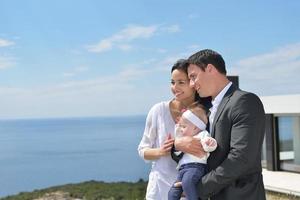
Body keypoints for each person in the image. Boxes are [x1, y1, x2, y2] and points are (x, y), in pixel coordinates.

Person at [175, 49, 266, 200]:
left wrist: (197, 189)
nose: (191, 84)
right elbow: (190, 142)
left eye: (193, 77)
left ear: (210, 69)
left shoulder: (245, 101)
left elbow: (241, 158)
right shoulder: (205, 109)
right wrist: (178, 144)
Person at [138, 59, 202, 200]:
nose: (175, 87)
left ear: (193, 83)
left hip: (188, 190)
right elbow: (143, 150)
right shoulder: (158, 110)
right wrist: (161, 151)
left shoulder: (203, 114)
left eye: (181, 82)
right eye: (172, 82)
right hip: (158, 190)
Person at [168, 105, 217, 200]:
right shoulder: (183, 139)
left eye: (184, 126)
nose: (181, 129)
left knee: (187, 183)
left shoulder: (203, 134)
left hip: (196, 167)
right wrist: (178, 146)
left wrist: (210, 144)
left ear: (195, 127)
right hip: (182, 170)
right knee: (173, 191)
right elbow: (177, 154)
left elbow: (209, 146)